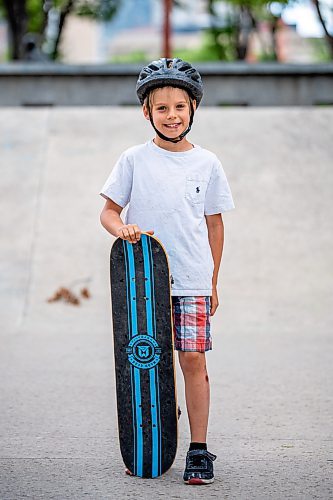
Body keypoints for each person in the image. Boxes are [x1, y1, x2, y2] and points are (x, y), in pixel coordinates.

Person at [99, 58, 235, 485]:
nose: (172, 115)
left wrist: (212, 282)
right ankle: (152, 436)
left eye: (180, 106)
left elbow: (215, 224)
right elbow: (108, 211)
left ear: (193, 109)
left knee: (192, 359)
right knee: (148, 364)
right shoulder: (133, 160)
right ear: (146, 112)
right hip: (145, 282)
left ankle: (198, 448)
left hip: (192, 277)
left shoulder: (208, 163)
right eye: (162, 108)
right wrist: (122, 228)